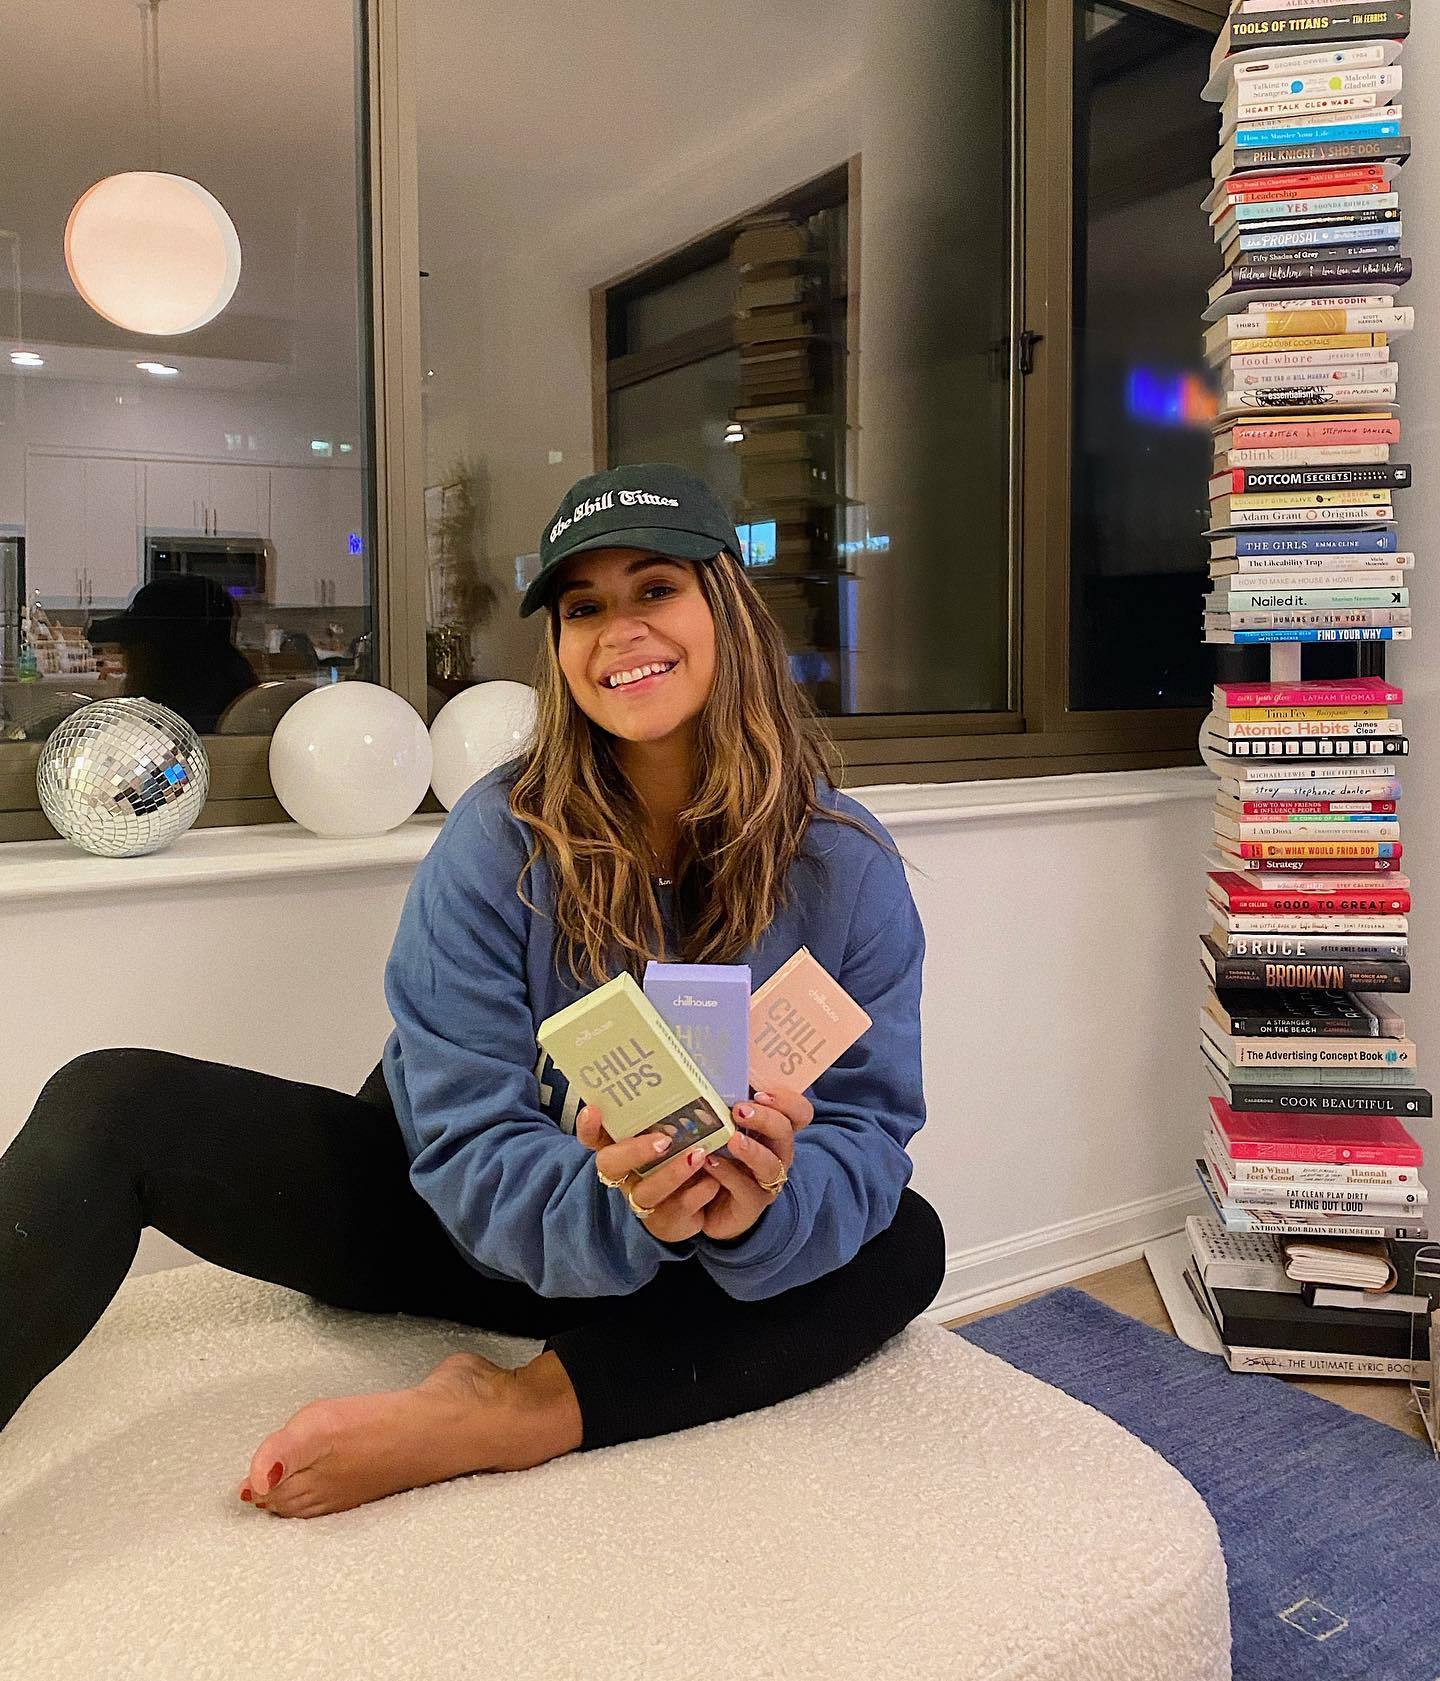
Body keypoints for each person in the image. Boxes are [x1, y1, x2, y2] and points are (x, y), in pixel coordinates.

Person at [0, 462, 945, 1519]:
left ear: (726, 606)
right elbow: (464, 1135)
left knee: (907, 1241)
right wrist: (623, 1207)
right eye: (583, 607)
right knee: (109, 1100)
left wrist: (757, 1211)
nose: (619, 630)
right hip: (461, 1215)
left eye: (655, 588)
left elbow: (867, 1128)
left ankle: (511, 1412)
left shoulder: (845, 864)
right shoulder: (497, 837)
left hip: (706, 1249)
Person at [87, 574, 259, 734]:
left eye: (130, 644)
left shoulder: (161, 733)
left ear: (159, 657)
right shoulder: (233, 684)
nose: (123, 655)